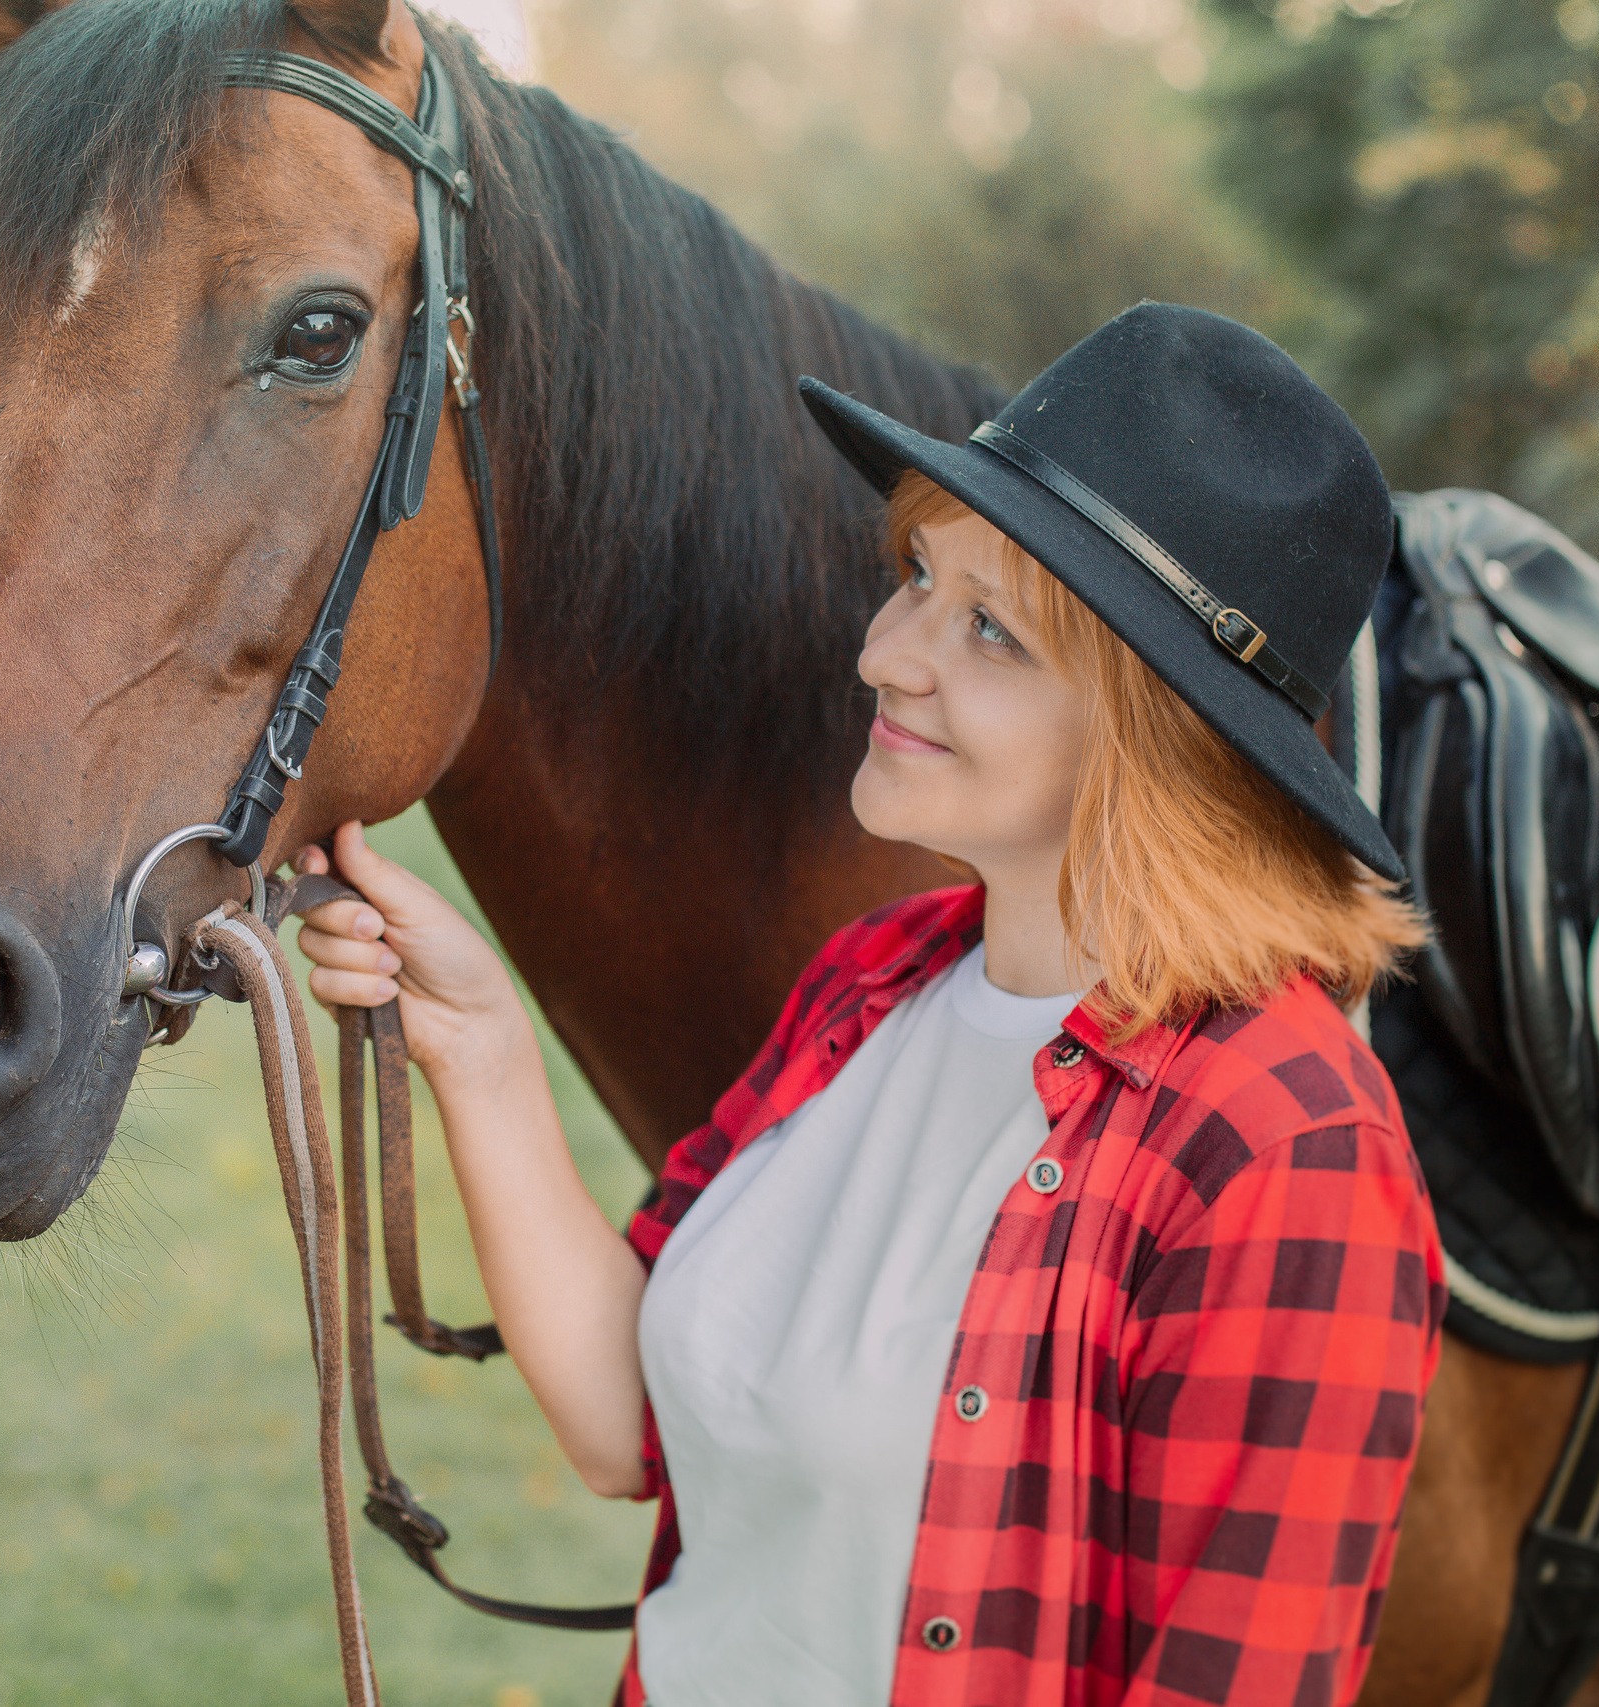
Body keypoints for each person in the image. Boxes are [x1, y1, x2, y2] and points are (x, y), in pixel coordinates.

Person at [292, 303, 1444, 1707]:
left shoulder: (1283, 1143)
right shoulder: (872, 985)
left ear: (1160, 743)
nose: (887, 652)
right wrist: (477, 1048)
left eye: (990, 632)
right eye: (914, 576)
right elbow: (623, 1428)